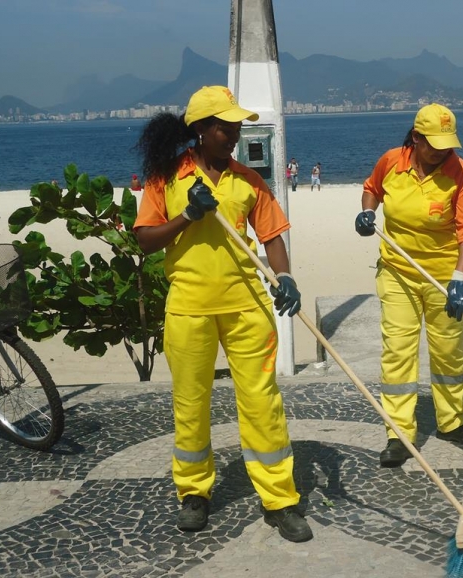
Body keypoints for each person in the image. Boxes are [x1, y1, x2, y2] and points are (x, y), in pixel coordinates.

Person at [132, 85, 312, 542]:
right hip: (189, 306)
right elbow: (146, 240)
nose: (233, 134)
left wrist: (285, 277)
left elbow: (271, 235)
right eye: (224, 126)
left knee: (262, 401)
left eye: (235, 126)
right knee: (191, 404)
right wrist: (189, 214)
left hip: (247, 304)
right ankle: (194, 494)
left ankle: (281, 499)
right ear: (200, 131)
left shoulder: (248, 180)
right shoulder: (165, 178)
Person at [354, 103, 463, 468]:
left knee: (448, 352)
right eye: (435, 143)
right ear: (416, 137)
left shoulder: (460, 173)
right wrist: (368, 212)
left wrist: (459, 278)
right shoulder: (391, 162)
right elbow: (372, 189)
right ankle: (398, 433)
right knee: (398, 350)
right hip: (397, 271)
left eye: (448, 143)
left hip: (446, 274)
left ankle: (452, 421)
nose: (443, 151)